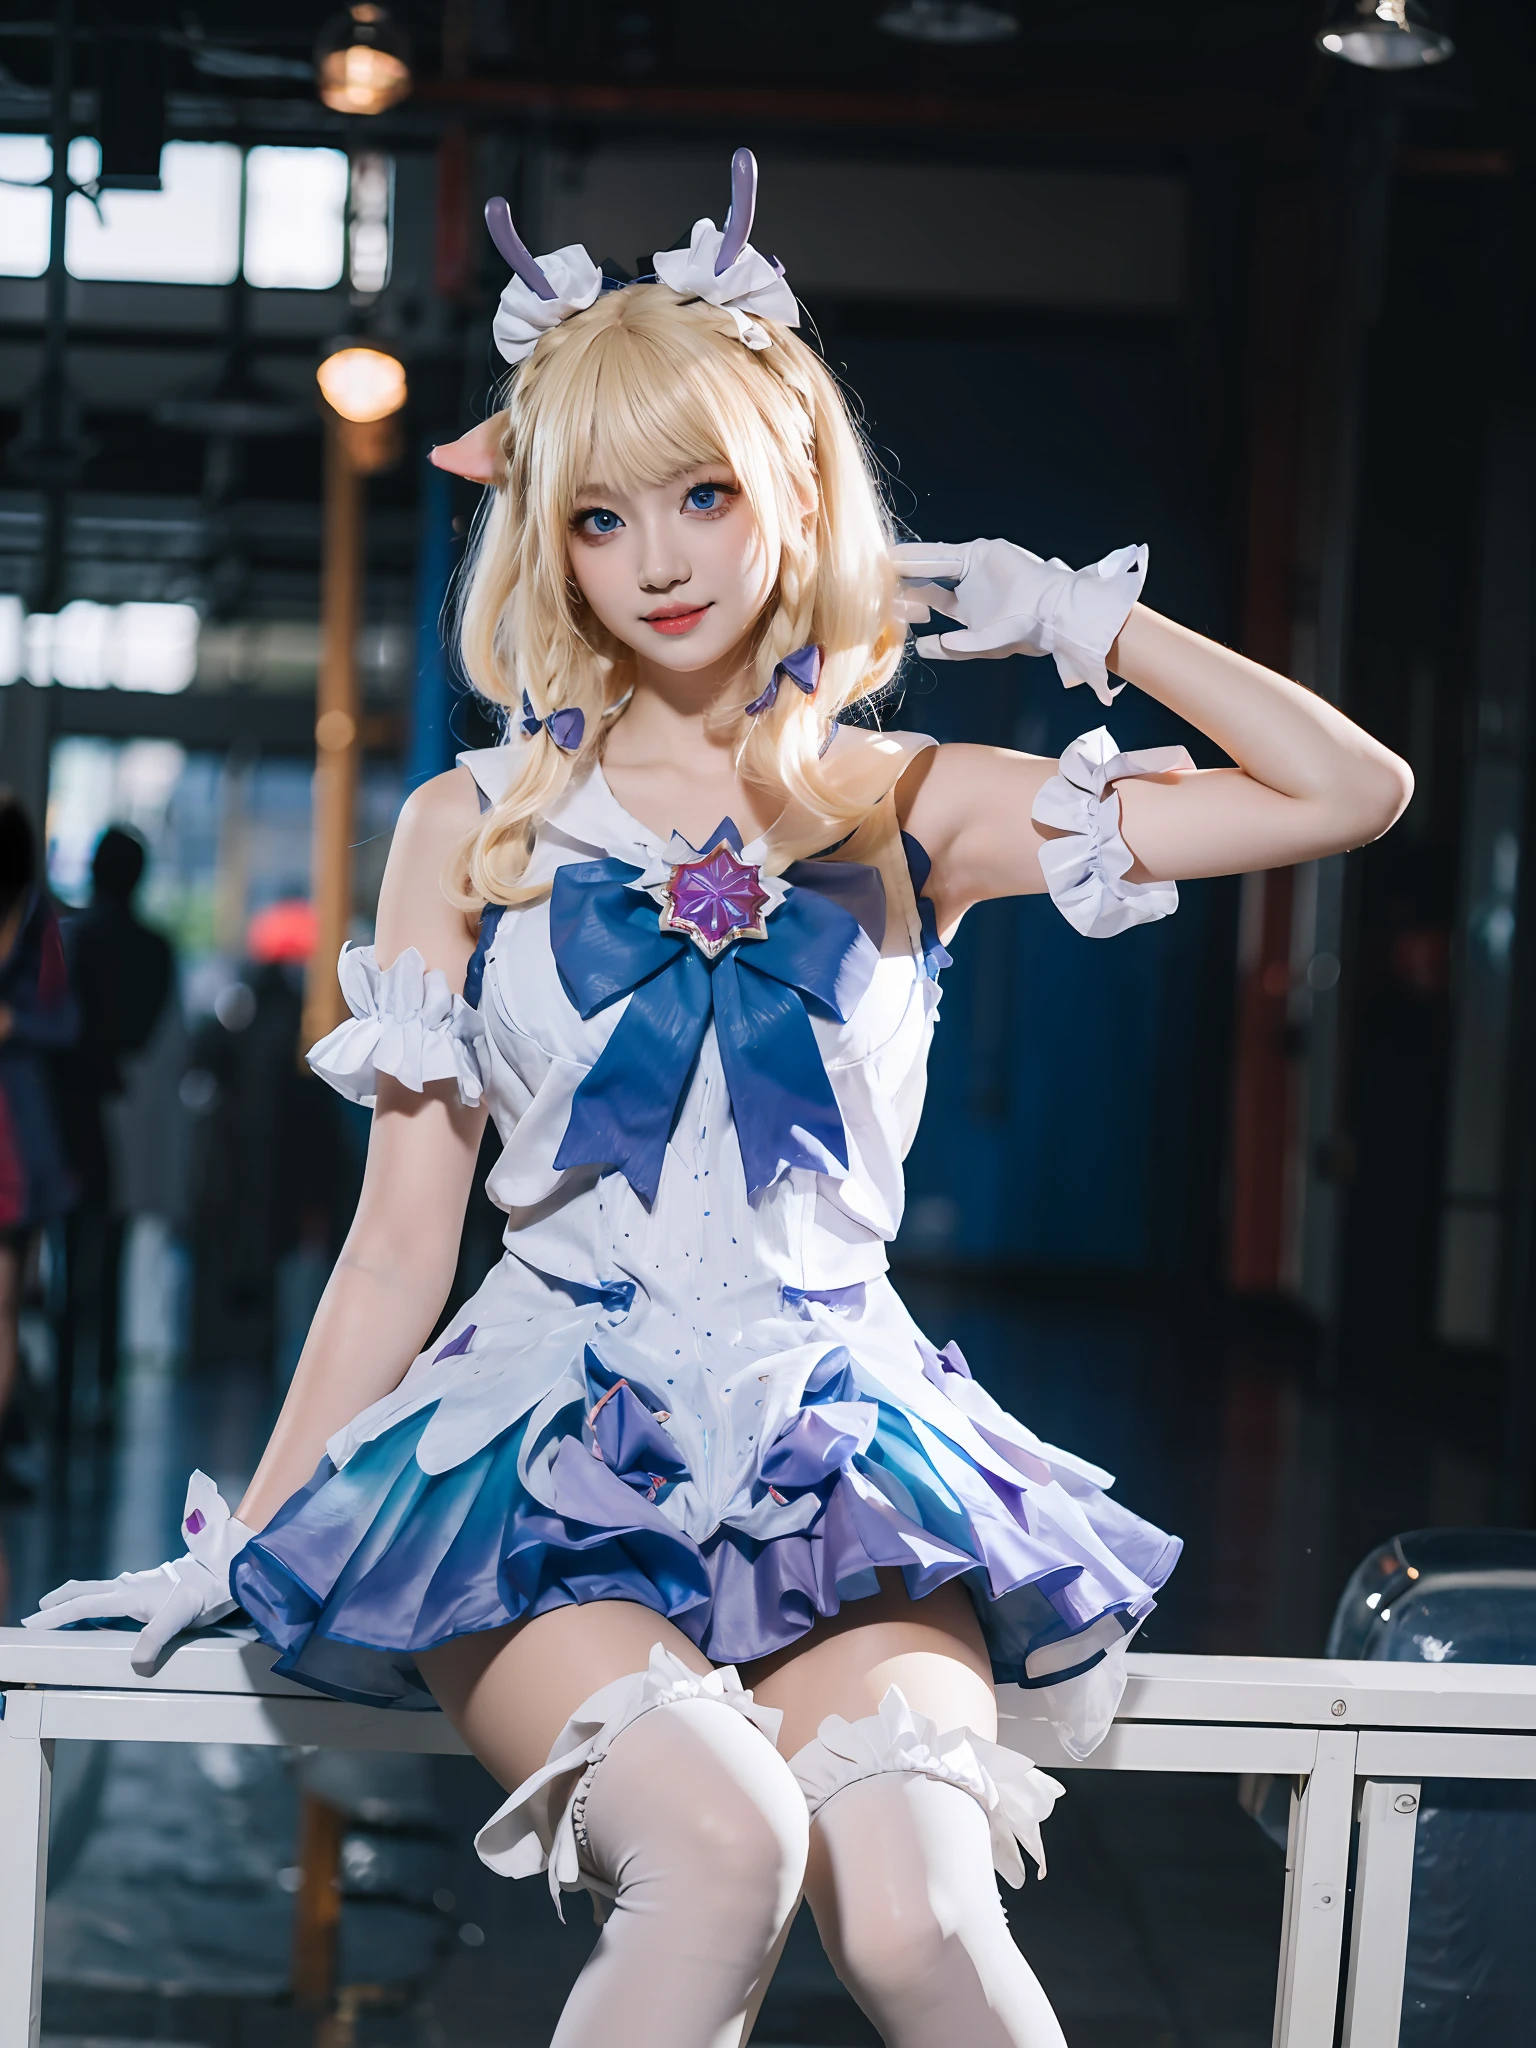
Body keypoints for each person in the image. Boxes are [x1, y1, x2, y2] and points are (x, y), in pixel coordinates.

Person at [26, 153, 1412, 2047]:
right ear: (545, 541)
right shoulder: (470, 824)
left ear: (793, 497)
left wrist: (1075, 619)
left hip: (838, 1446)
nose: (662, 559)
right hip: (540, 1461)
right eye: (599, 515)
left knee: (926, 1916)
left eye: (704, 494)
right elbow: (397, 1244)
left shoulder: (908, 796)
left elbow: (1351, 790)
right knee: (720, 1845)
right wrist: (237, 1544)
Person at [53, 826, 173, 1426]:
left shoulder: (70, 938)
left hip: (68, 1108)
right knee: (112, 1249)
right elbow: (148, 1033)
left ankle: (62, 1387)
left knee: (66, 1254)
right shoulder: (156, 949)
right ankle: (99, 1385)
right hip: (129, 1106)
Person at [0, 792, 77, 1501]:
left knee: (6, 1301)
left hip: (15, 1135)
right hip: (18, 1131)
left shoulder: (34, 924)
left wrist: (12, 1021)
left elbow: (63, 1023)